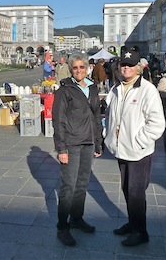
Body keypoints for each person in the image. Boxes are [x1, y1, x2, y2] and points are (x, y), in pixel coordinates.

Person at [104, 50, 165, 247]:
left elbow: (156, 123)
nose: (126, 68)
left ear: (138, 67)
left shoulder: (147, 90)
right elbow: (110, 115)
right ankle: (132, 224)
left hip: (139, 151)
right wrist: (109, 135)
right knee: (126, 188)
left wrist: (139, 141)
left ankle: (141, 232)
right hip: (121, 148)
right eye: (124, 64)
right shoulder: (116, 88)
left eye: (130, 64)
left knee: (136, 191)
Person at [52, 54, 103, 247]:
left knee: (82, 184)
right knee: (68, 187)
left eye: (82, 67)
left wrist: (98, 142)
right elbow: (58, 120)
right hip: (71, 144)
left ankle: (76, 218)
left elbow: (97, 115)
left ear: (87, 68)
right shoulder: (64, 90)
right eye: (75, 67)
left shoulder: (92, 87)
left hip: (88, 143)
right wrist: (61, 148)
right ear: (71, 69)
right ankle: (62, 227)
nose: (79, 70)